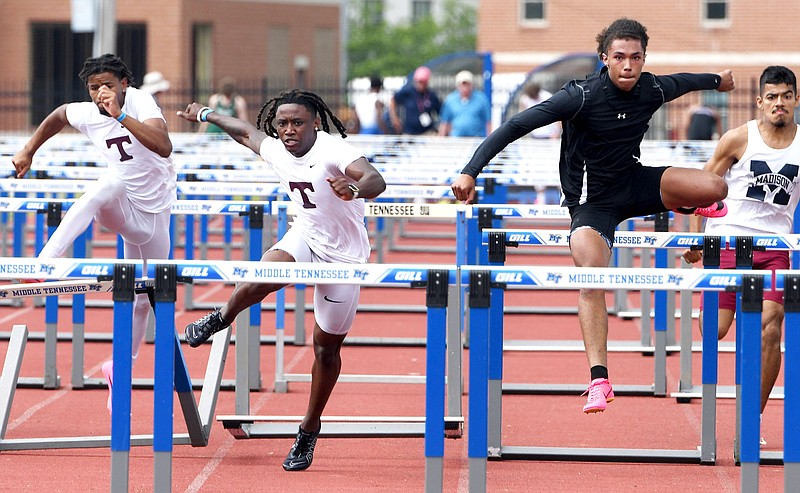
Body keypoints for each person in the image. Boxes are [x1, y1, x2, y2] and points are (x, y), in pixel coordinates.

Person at [450, 17, 734, 414]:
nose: (628, 66)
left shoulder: (651, 87)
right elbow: (515, 125)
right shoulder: (579, 96)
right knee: (591, 276)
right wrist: (470, 169)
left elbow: (685, 81)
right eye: (619, 57)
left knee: (716, 187)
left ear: (643, 58)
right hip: (591, 203)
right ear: (605, 58)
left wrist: (718, 81)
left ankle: (689, 204)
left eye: (636, 57)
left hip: (636, 185)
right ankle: (599, 379)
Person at [176, 89, 386, 471]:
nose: (288, 130)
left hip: (344, 256)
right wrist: (206, 113)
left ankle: (309, 427)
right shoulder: (276, 148)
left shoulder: (334, 150)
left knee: (325, 348)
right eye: (282, 123)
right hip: (304, 235)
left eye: (297, 123)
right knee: (262, 274)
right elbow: (243, 131)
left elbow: (375, 179)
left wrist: (354, 188)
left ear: (315, 123)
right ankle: (221, 317)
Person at [11, 53, 176, 413]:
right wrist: (28, 150)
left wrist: (120, 115)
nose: (101, 93)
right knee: (106, 184)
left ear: (124, 85)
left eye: (108, 86)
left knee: (146, 297)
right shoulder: (86, 113)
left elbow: (164, 146)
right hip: (121, 207)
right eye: (94, 87)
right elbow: (57, 115)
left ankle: (121, 368)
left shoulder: (139, 101)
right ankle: (46, 261)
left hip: (154, 218)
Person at [682, 65, 800, 445]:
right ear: (760, 101)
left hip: (773, 250)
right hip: (727, 244)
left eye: (786, 96)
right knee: (713, 331)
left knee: (770, 328)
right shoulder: (738, 139)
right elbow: (702, 188)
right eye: (772, 97)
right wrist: (697, 239)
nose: (779, 104)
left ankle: (750, 419)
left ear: (795, 100)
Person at [438, 70, 492, 137]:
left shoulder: (482, 99)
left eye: (467, 84)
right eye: (463, 85)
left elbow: (488, 122)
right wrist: (441, 139)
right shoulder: (450, 100)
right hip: (456, 139)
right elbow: (444, 123)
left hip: (476, 138)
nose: (465, 88)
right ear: (458, 85)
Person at [389, 66, 441, 135]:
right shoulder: (408, 92)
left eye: (423, 82)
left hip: (426, 132)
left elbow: (441, 112)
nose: (420, 84)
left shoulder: (431, 96)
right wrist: (394, 118)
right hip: (409, 132)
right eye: (419, 81)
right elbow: (393, 101)